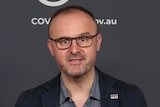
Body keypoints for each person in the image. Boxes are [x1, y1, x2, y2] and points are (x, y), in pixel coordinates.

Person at [15, 5, 147, 107]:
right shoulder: (28, 102)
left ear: (98, 42)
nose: (74, 50)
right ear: (51, 47)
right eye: (64, 41)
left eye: (83, 39)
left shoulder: (131, 98)